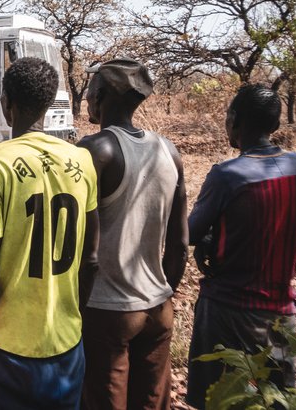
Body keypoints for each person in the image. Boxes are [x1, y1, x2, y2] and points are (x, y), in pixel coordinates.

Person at [0, 57, 100, 410]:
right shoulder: (81, 160)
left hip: (6, 343)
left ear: (6, 103)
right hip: (66, 341)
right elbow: (91, 259)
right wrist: (74, 315)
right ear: (48, 103)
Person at [186, 84, 296, 409]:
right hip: (283, 314)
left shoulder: (228, 176)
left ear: (235, 120)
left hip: (229, 310)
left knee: (221, 399)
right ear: (275, 123)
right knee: (276, 398)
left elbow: (188, 233)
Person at [77, 59, 188, 410]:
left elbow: (82, 247)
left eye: (92, 88)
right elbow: (179, 245)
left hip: (108, 311)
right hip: (158, 307)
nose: (88, 96)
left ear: (103, 95)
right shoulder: (168, 150)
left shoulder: (96, 150)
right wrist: (160, 292)